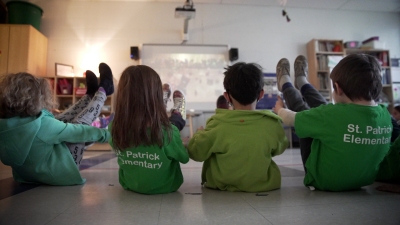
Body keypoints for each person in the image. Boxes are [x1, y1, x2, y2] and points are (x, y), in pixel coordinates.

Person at [273, 54, 392, 191]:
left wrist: (280, 109)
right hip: (365, 180)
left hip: (323, 180)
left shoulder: (331, 114)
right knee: (325, 113)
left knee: (305, 112)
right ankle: (302, 82)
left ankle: (287, 83)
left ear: (337, 87)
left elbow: (291, 118)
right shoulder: (385, 115)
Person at [0, 63, 113, 186]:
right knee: (79, 125)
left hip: (26, 175)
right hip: (60, 173)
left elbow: (48, 124)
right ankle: (103, 91)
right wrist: (108, 135)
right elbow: (78, 132)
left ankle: (89, 96)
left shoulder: (5, 124)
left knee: (58, 120)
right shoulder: (43, 125)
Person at [187, 62, 289, 192]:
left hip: (221, 186)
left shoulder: (217, 123)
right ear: (261, 94)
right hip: (264, 186)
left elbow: (196, 153)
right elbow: (279, 148)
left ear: (227, 96)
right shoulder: (272, 123)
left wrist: (199, 134)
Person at [109, 65, 189, 195]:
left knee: (164, 127)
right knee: (172, 124)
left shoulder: (114, 127)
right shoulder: (168, 132)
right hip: (166, 186)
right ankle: (177, 113)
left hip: (129, 184)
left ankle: (163, 104)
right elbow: (184, 157)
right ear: (155, 95)